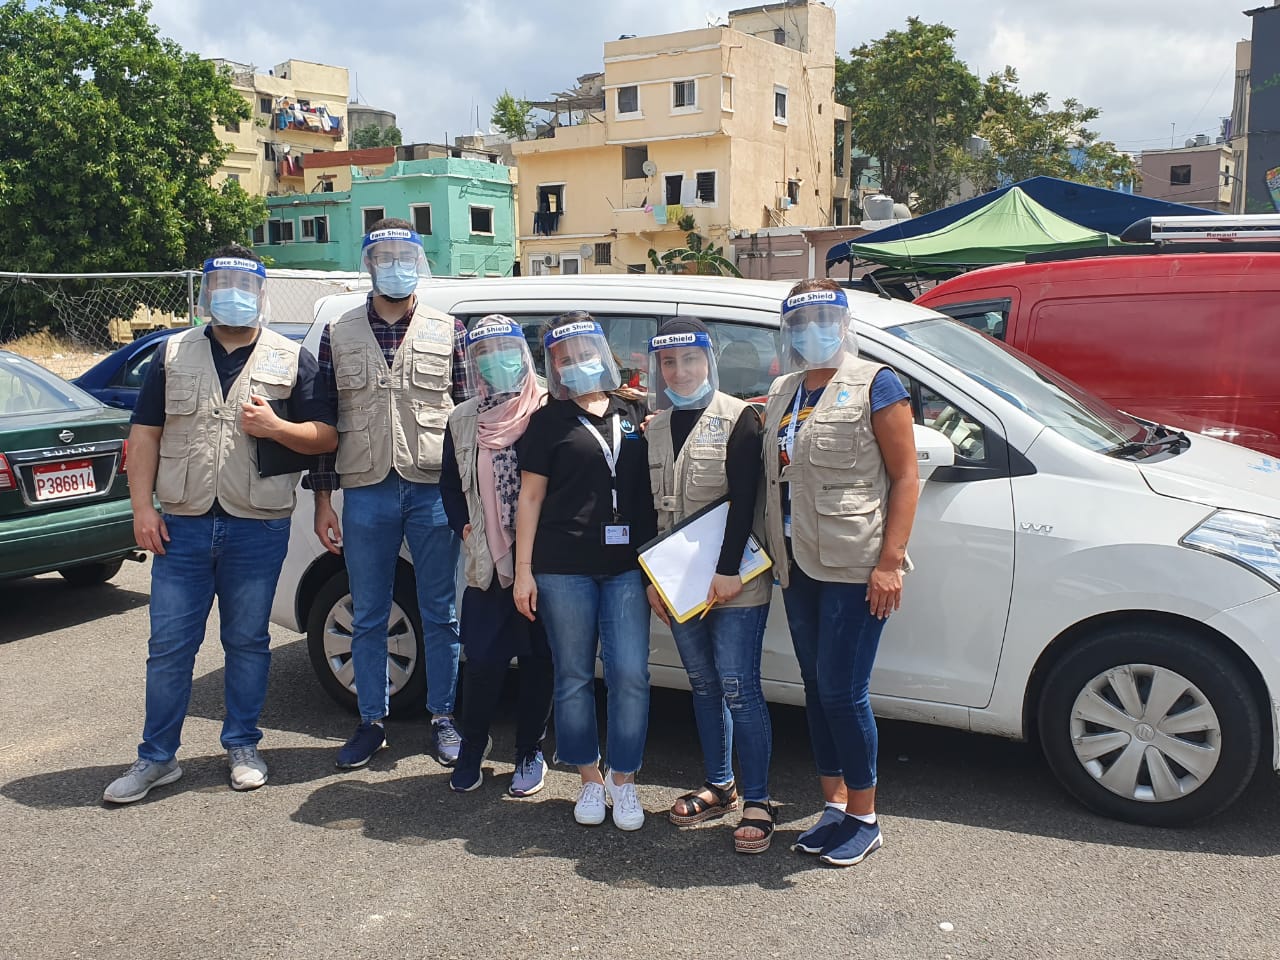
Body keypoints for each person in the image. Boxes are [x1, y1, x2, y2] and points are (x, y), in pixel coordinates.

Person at [103, 246, 337, 803]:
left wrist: (277, 426)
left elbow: (325, 436)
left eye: (244, 284)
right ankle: (156, 758)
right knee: (169, 646)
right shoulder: (173, 352)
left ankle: (242, 745)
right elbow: (145, 437)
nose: (233, 293)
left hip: (256, 524)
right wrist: (141, 509)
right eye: (222, 282)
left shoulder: (288, 355)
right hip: (180, 524)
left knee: (248, 642)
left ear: (261, 293)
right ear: (206, 292)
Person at [760, 278, 920, 867]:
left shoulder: (877, 383)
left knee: (843, 692)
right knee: (815, 688)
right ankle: (834, 805)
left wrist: (889, 563)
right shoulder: (783, 389)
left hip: (856, 565)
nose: (812, 331)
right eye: (800, 322)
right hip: (798, 563)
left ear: (843, 322)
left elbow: (905, 477)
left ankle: (865, 815)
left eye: (823, 318)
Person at [308, 219, 467, 769]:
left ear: (418, 262)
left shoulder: (451, 331)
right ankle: (371, 721)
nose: (394, 264)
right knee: (369, 611)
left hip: (431, 490)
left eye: (405, 255)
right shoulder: (340, 331)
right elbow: (325, 422)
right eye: (384, 255)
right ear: (369, 263)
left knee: (440, 611)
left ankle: (444, 718)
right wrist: (323, 500)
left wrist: (468, 499)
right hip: (367, 489)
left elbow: (469, 420)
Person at [513, 313, 657, 831]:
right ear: (553, 365)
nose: (577, 363)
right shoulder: (547, 420)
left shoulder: (637, 410)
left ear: (602, 350)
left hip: (626, 568)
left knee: (629, 675)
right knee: (573, 676)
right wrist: (523, 571)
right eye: (564, 358)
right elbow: (529, 498)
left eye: (584, 351)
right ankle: (590, 779)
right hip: (562, 567)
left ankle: (625, 779)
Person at [642, 317, 777, 853]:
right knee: (702, 685)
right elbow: (646, 511)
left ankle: (759, 799)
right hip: (677, 584)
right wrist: (651, 579)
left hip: (734, 579)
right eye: (669, 363)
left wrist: (725, 572)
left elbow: (746, 502)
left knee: (739, 687)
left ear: (709, 359)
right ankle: (719, 785)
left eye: (690, 360)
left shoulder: (739, 418)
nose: (680, 372)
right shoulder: (654, 425)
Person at [439, 316, 554, 795]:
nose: (495, 359)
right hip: (488, 562)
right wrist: (464, 527)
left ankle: (529, 750)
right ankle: (473, 746)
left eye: (504, 348)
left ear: (522, 352)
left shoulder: (549, 406)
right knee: (483, 659)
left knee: (539, 660)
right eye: (482, 351)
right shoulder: (463, 417)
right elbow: (449, 483)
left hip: (545, 560)